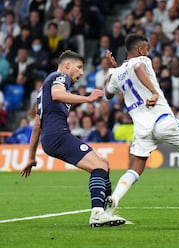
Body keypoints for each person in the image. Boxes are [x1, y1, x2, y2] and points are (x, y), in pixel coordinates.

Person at [104, 34, 179, 212]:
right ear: (141, 50)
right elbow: (137, 67)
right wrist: (153, 92)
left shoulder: (117, 73)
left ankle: (115, 197)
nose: (148, 52)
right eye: (147, 48)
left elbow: (107, 94)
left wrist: (112, 71)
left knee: (136, 168)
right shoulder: (143, 60)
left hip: (142, 129)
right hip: (161, 119)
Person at [19, 50, 126, 227]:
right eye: (79, 67)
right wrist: (87, 99)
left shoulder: (43, 90)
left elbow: (37, 125)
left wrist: (31, 157)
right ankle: (98, 214)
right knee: (99, 166)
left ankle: (107, 213)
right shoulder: (59, 77)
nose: (82, 72)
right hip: (58, 136)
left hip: (52, 137)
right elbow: (57, 95)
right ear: (67, 66)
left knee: (103, 163)